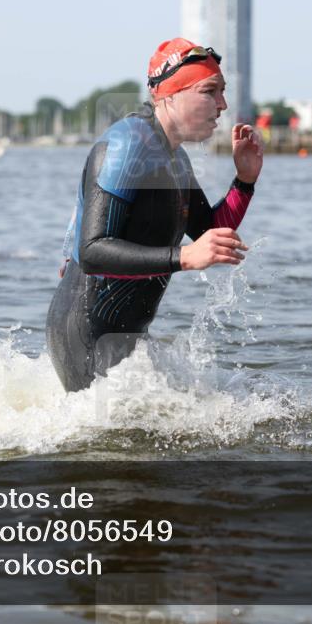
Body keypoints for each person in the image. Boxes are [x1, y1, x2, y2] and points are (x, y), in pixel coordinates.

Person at [46, 37, 263, 393]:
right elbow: (92, 252)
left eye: (222, 92)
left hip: (124, 333)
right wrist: (183, 257)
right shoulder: (127, 145)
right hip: (86, 332)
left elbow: (212, 233)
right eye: (210, 91)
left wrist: (245, 180)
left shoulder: (174, 157)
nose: (223, 105)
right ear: (170, 94)